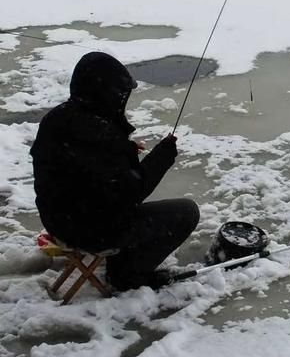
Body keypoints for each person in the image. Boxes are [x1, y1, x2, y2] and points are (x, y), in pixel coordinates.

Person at [30, 51, 200, 291]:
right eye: (119, 93)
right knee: (186, 212)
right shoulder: (100, 135)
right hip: (89, 230)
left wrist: (123, 149)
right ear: (105, 93)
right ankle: (127, 276)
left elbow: (80, 165)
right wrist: (162, 157)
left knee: (113, 208)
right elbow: (131, 193)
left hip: (57, 219)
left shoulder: (59, 117)